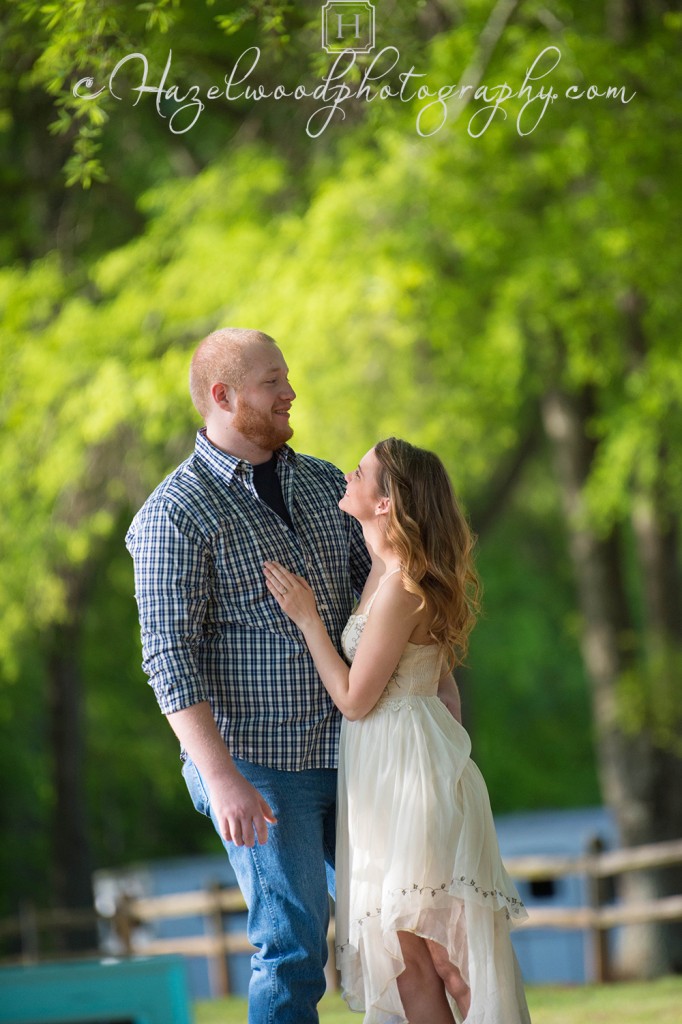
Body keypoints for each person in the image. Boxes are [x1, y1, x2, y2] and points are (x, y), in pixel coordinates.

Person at [125, 328, 371, 1024]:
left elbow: (382, 600)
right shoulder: (174, 513)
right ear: (224, 396)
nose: (290, 393)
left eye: (286, 377)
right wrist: (221, 775)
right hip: (257, 767)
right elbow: (168, 655)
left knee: (393, 924)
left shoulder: (327, 484)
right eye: (273, 382)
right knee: (292, 948)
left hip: (353, 749)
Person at [263, 438, 532, 1024]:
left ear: (385, 503)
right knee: (407, 957)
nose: (347, 476)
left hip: (407, 777)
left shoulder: (403, 585)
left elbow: (355, 701)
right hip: (388, 773)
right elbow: (444, 688)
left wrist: (308, 618)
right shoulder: (384, 574)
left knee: (447, 955)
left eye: (360, 473)